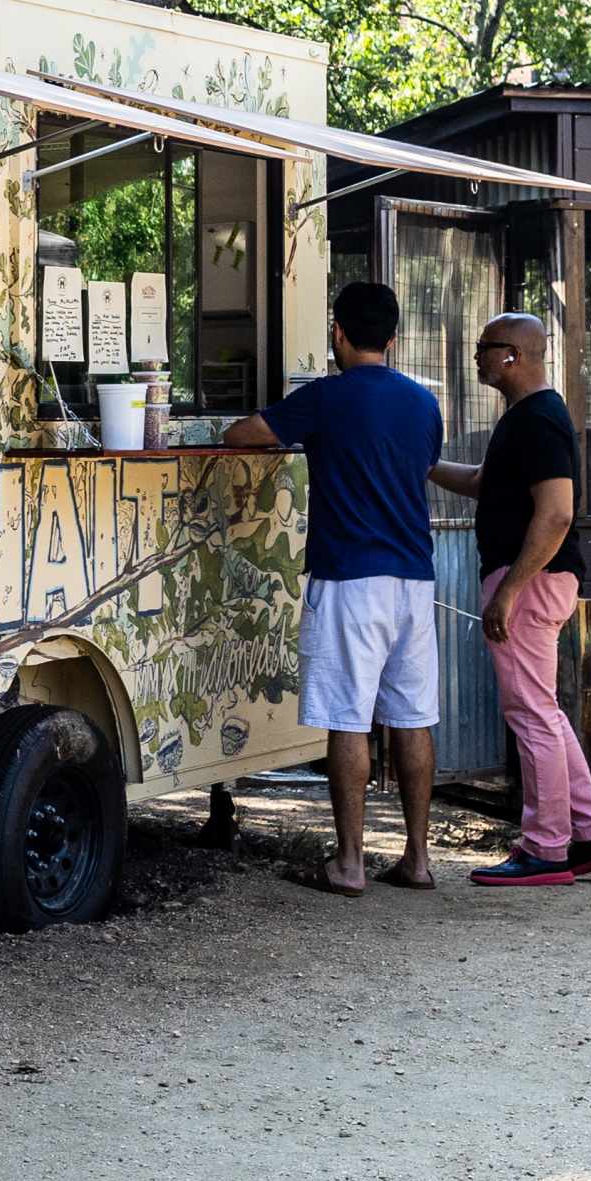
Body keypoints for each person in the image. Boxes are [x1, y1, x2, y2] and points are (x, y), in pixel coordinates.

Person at [225, 282, 444, 895]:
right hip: (414, 580)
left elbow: (247, 434)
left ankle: (349, 863)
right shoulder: (425, 405)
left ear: (338, 334)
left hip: (350, 578)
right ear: (394, 339)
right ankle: (418, 859)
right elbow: (420, 465)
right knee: (412, 717)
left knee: (349, 719)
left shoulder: (326, 397)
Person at [428, 313, 591, 888]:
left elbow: (558, 512)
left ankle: (545, 847)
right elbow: (481, 481)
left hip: (531, 582)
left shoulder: (538, 419)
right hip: (537, 580)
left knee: (531, 716)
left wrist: (510, 590)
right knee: (545, 710)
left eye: (484, 349)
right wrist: (421, 464)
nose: (477, 359)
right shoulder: (526, 417)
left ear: (514, 355)